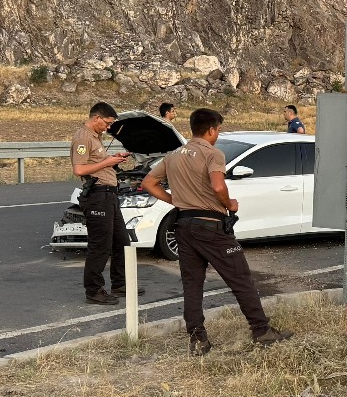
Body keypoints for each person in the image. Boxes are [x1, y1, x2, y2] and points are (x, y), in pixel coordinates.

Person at [141, 108, 291, 355]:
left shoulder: (174, 156)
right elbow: (218, 185)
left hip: (183, 226)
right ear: (211, 129)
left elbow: (147, 183)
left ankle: (198, 340)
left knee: (192, 285)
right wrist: (229, 203)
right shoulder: (213, 154)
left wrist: (176, 200)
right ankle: (261, 331)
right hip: (211, 227)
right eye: (218, 130)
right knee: (241, 278)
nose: (218, 135)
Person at [69, 101, 131, 305]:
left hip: (109, 195)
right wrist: (108, 162)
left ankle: (120, 284)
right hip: (97, 196)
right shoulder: (82, 138)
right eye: (107, 122)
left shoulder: (96, 138)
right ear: (96, 118)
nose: (109, 127)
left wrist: (114, 158)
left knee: (122, 242)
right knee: (100, 246)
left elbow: (97, 163)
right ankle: (94, 290)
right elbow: (79, 170)